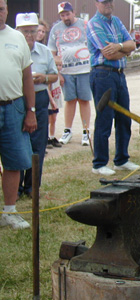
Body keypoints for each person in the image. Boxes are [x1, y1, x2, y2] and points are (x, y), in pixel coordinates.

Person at [86, 0, 139, 176]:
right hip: (102, 74)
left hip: (119, 74)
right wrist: (125, 49)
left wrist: (121, 46)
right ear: (96, 4)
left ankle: (121, 160)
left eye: (110, 1)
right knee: (105, 119)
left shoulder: (116, 21)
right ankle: (99, 163)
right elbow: (109, 53)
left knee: (124, 117)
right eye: (104, 1)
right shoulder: (94, 24)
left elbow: (132, 44)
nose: (108, 4)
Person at [0, 0, 37, 229]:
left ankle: (9, 212)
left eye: (1, 9)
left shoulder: (17, 38)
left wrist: (30, 111)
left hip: (14, 106)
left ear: (6, 10)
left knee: (14, 162)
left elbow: (27, 78)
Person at [16, 13, 58, 199]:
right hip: (17, 98)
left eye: (33, 31)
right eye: (25, 31)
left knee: (38, 144)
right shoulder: (11, 50)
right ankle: (16, 187)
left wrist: (44, 78)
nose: (29, 35)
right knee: (16, 143)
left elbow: (55, 76)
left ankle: (32, 186)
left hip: (39, 97)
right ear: (17, 31)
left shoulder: (44, 51)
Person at [47, 1, 92, 146]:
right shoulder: (56, 29)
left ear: (73, 12)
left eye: (67, 14)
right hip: (66, 71)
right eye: (62, 15)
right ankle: (68, 130)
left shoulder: (85, 25)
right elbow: (52, 53)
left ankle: (86, 131)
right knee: (70, 100)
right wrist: (58, 72)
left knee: (84, 100)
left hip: (84, 69)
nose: (65, 17)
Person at [47, 56, 64, 148]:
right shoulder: (51, 77)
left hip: (56, 101)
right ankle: (46, 138)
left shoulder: (59, 77)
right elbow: (48, 90)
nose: (58, 67)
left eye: (60, 65)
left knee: (54, 119)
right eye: (56, 65)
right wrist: (52, 101)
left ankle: (52, 136)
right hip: (51, 102)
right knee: (48, 120)